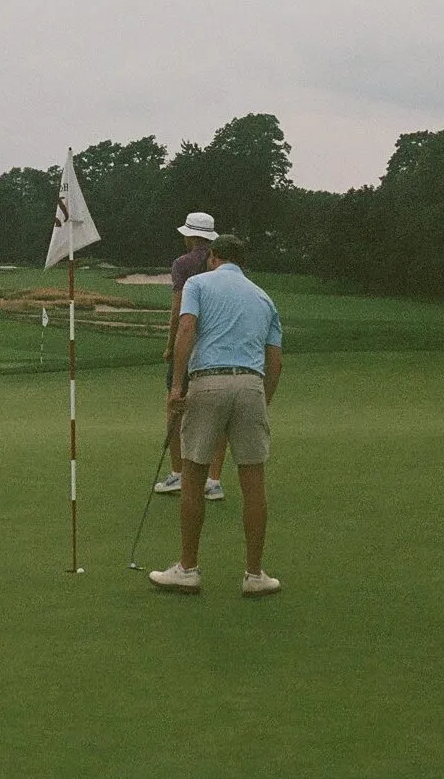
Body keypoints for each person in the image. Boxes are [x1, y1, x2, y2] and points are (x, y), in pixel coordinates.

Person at [149, 234, 284, 597]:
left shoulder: (197, 283)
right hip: (251, 385)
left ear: (213, 256)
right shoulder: (264, 297)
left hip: (208, 381)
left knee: (192, 475)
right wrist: (262, 401)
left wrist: (177, 386)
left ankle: (187, 569)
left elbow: (187, 327)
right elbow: (275, 360)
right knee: (253, 481)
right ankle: (255, 575)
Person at [154, 212, 229, 502]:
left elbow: (179, 310)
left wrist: (170, 344)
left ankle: (178, 473)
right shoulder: (221, 263)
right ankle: (213, 479)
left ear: (189, 236)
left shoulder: (182, 264)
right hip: (218, 344)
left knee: (175, 403)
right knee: (218, 413)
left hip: (191, 341)